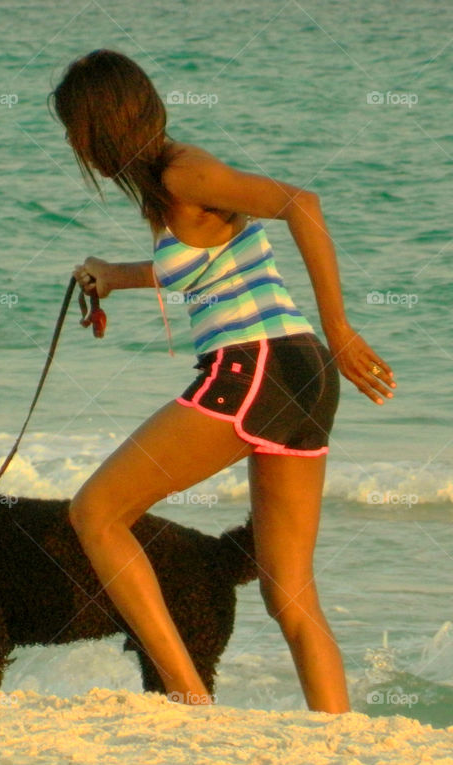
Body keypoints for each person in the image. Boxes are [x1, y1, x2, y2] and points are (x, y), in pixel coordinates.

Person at [50, 50, 396, 713]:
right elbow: (201, 266)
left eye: (75, 129)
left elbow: (300, 203)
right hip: (301, 372)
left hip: (255, 366)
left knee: (95, 512)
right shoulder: (169, 184)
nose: (74, 145)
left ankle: (187, 698)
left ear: (101, 122)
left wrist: (342, 326)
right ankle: (340, 739)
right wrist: (114, 275)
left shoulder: (186, 172)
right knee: (288, 592)